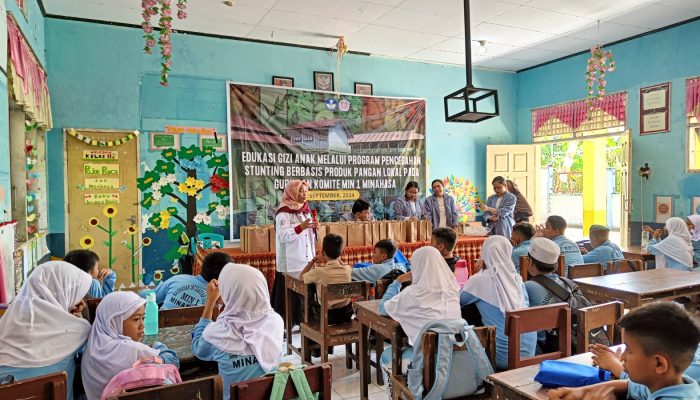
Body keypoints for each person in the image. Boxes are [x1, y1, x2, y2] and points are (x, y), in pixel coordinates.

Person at [548, 302, 700, 400]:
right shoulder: (666, 384)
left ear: (659, 363)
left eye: (629, 350)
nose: (623, 357)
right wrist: (580, 392)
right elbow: (629, 385)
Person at [0, 262, 92, 400]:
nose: (81, 301)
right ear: (64, 293)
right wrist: (77, 315)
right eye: (78, 295)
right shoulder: (79, 330)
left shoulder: (10, 319)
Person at [192, 264, 283, 400]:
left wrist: (210, 302)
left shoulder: (217, 333)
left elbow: (197, 347)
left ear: (229, 293)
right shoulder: (275, 322)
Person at [378, 246, 461, 395]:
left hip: (430, 363)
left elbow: (383, 308)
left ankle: (396, 396)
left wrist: (397, 282)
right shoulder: (453, 288)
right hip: (457, 356)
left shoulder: (412, 294)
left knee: (387, 355)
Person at [82, 291, 179, 400]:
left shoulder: (92, 347)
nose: (142, 325)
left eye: (143, 318)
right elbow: (173, 361)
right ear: (114, 321)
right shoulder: (132, 350)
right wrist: (158, 346)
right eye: (136, 319)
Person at [460, 236, 537, 370]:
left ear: (485, 253)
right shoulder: (517, 278)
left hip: (503, 358)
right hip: (529, 353)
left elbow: (458, 302)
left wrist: (477, 275)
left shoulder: (480, 279)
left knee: (467, 312)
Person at [273, 180, 316, 325]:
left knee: (304, 296)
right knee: (289, 297)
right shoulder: (283, 213)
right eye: (300, 191)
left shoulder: (305, 209)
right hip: (290, 261)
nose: (304, 194)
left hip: (306, 260)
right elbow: (283, 236)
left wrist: (314, 228)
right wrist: (300, 227)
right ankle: (285, 325)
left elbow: (309, 236)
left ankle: (302, 322)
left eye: (305, 191)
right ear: (291, 192)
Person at [522, 237, 571, 351]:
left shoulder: (529, 286)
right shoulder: (568, 282)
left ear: (530, 262)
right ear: (556, 265)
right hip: (568, 341)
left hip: (545, 346)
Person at [142, 251, 232, 309]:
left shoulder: (177, 279)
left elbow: (149, 297)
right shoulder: (222, 297)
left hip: (163, 331)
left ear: (202, 267)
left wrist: (142, 292)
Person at [300, 234, 354, 326]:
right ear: (341, 253)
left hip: (325, 317)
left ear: (323, 252)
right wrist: (337, 258)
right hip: (345, 315)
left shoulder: (318, 271)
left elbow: (301, 277)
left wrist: (313, 261)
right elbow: (344, 265)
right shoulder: (348, 269)